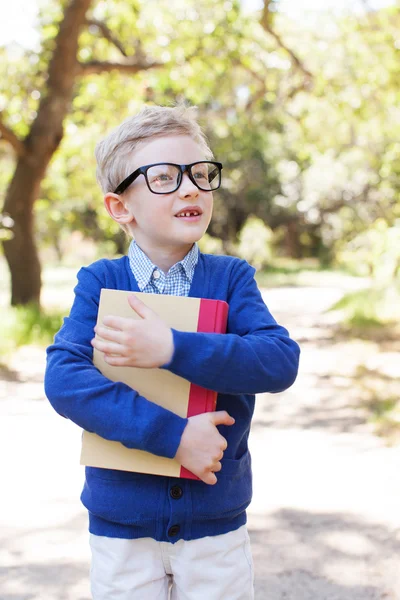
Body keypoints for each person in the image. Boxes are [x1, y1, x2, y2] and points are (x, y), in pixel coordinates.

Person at [45, 104, 300, 600]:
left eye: (202, 175)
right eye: (164, 177)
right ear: (121, 207)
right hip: (122, 525)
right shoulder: (101, 283)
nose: (191, 189)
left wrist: (172, 347)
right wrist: (175, 436)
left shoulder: (230, 279)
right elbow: (65, 378)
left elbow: (278, 359)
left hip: (214, 524)